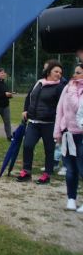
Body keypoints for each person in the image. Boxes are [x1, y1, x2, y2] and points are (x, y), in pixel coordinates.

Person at [17, 60, 66, 184]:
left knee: (49, 150)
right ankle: (26, 171)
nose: (59, 74)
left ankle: (47, 174)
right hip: (33, 122)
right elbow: (29, 97)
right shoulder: (39, 83)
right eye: (56, 71)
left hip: (49, 124)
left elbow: (63, 106)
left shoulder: (60, 87)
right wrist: (25, 110)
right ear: (49, 71)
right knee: (28, 145)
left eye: (60, 72)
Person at [54, 63, 83, 211]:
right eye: (75, 72)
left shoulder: (72, 89)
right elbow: (60, 110)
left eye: (78, 73)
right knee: (70, 169)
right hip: (67, 134)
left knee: (82, 169)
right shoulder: (67, 88)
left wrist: (72, 90)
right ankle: (71, 198)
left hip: (81, 136)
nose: (74, 75)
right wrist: (57, 132)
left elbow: (77, 107)